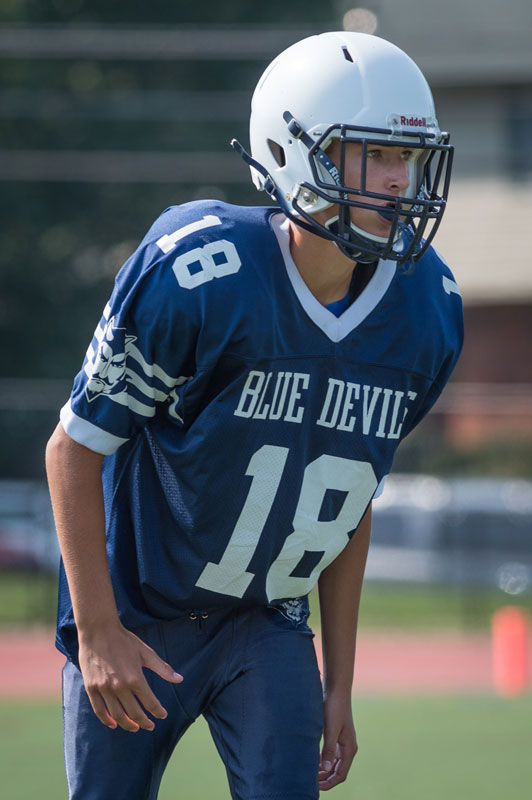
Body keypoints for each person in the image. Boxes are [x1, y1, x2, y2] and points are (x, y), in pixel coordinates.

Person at [46, 30, 463, 800]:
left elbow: (347, 494)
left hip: (265, 622)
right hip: (140, 613)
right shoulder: (205, 271)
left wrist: (340, 682)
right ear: (294, 149)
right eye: (374, 155)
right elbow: (73, 449)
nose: (401, 181)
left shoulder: (425, 307)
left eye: (409, 158)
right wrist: (98, 630)